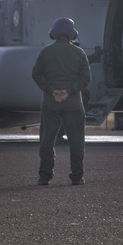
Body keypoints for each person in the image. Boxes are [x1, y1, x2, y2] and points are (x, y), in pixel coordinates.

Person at [31, 17, 91, 186]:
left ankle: (45, 176)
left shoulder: (45, 52)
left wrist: (52, 90)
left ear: (53, 34)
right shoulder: (79, 53)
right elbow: (86, 78)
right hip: (73, 103)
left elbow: (36, 74)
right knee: (76, 141)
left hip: (50, 103)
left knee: (47, 140)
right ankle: (77, 177)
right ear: (73, 34)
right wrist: (68, 91)